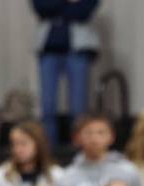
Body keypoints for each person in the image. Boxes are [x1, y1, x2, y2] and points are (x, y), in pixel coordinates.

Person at [32, 0, 100, 145]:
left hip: (78, 50)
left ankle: (79, 146)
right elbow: (41, 7)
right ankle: (48, 147)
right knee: (47, 104)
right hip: (49, 49)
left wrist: (58, 7)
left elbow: (83, 12)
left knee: (78, 105)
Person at [58, 113, 142, 186]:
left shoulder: (129, 171)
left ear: (112, 137)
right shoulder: (66, 177)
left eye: (101, 132)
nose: (94, 139)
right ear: (77, 138)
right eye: (88, 133)